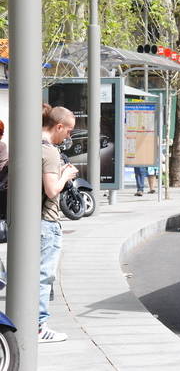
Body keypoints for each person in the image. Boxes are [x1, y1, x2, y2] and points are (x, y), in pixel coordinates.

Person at [41, 103, 78, 343]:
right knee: (43, 275)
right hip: (46, 222)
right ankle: (38, 326)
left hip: (33, 221)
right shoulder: (51, 152)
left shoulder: (31, 144)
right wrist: (66, 174)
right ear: (59, 126)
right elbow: (52, 189)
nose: (69, 136)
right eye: (69, 131)